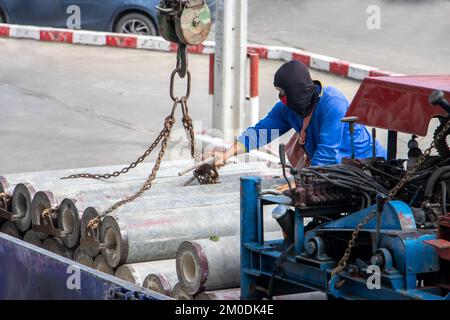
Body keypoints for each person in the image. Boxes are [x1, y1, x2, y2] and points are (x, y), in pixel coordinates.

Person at [206, 60, 386, 169]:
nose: (281, 98)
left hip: (366, 167)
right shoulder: (287, 108)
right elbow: (260, 133)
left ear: (295, 91)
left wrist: (299, 183)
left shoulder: (332, 102)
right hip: (331, 170)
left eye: (282, 92)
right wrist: (227, 154)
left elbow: (327, 153)